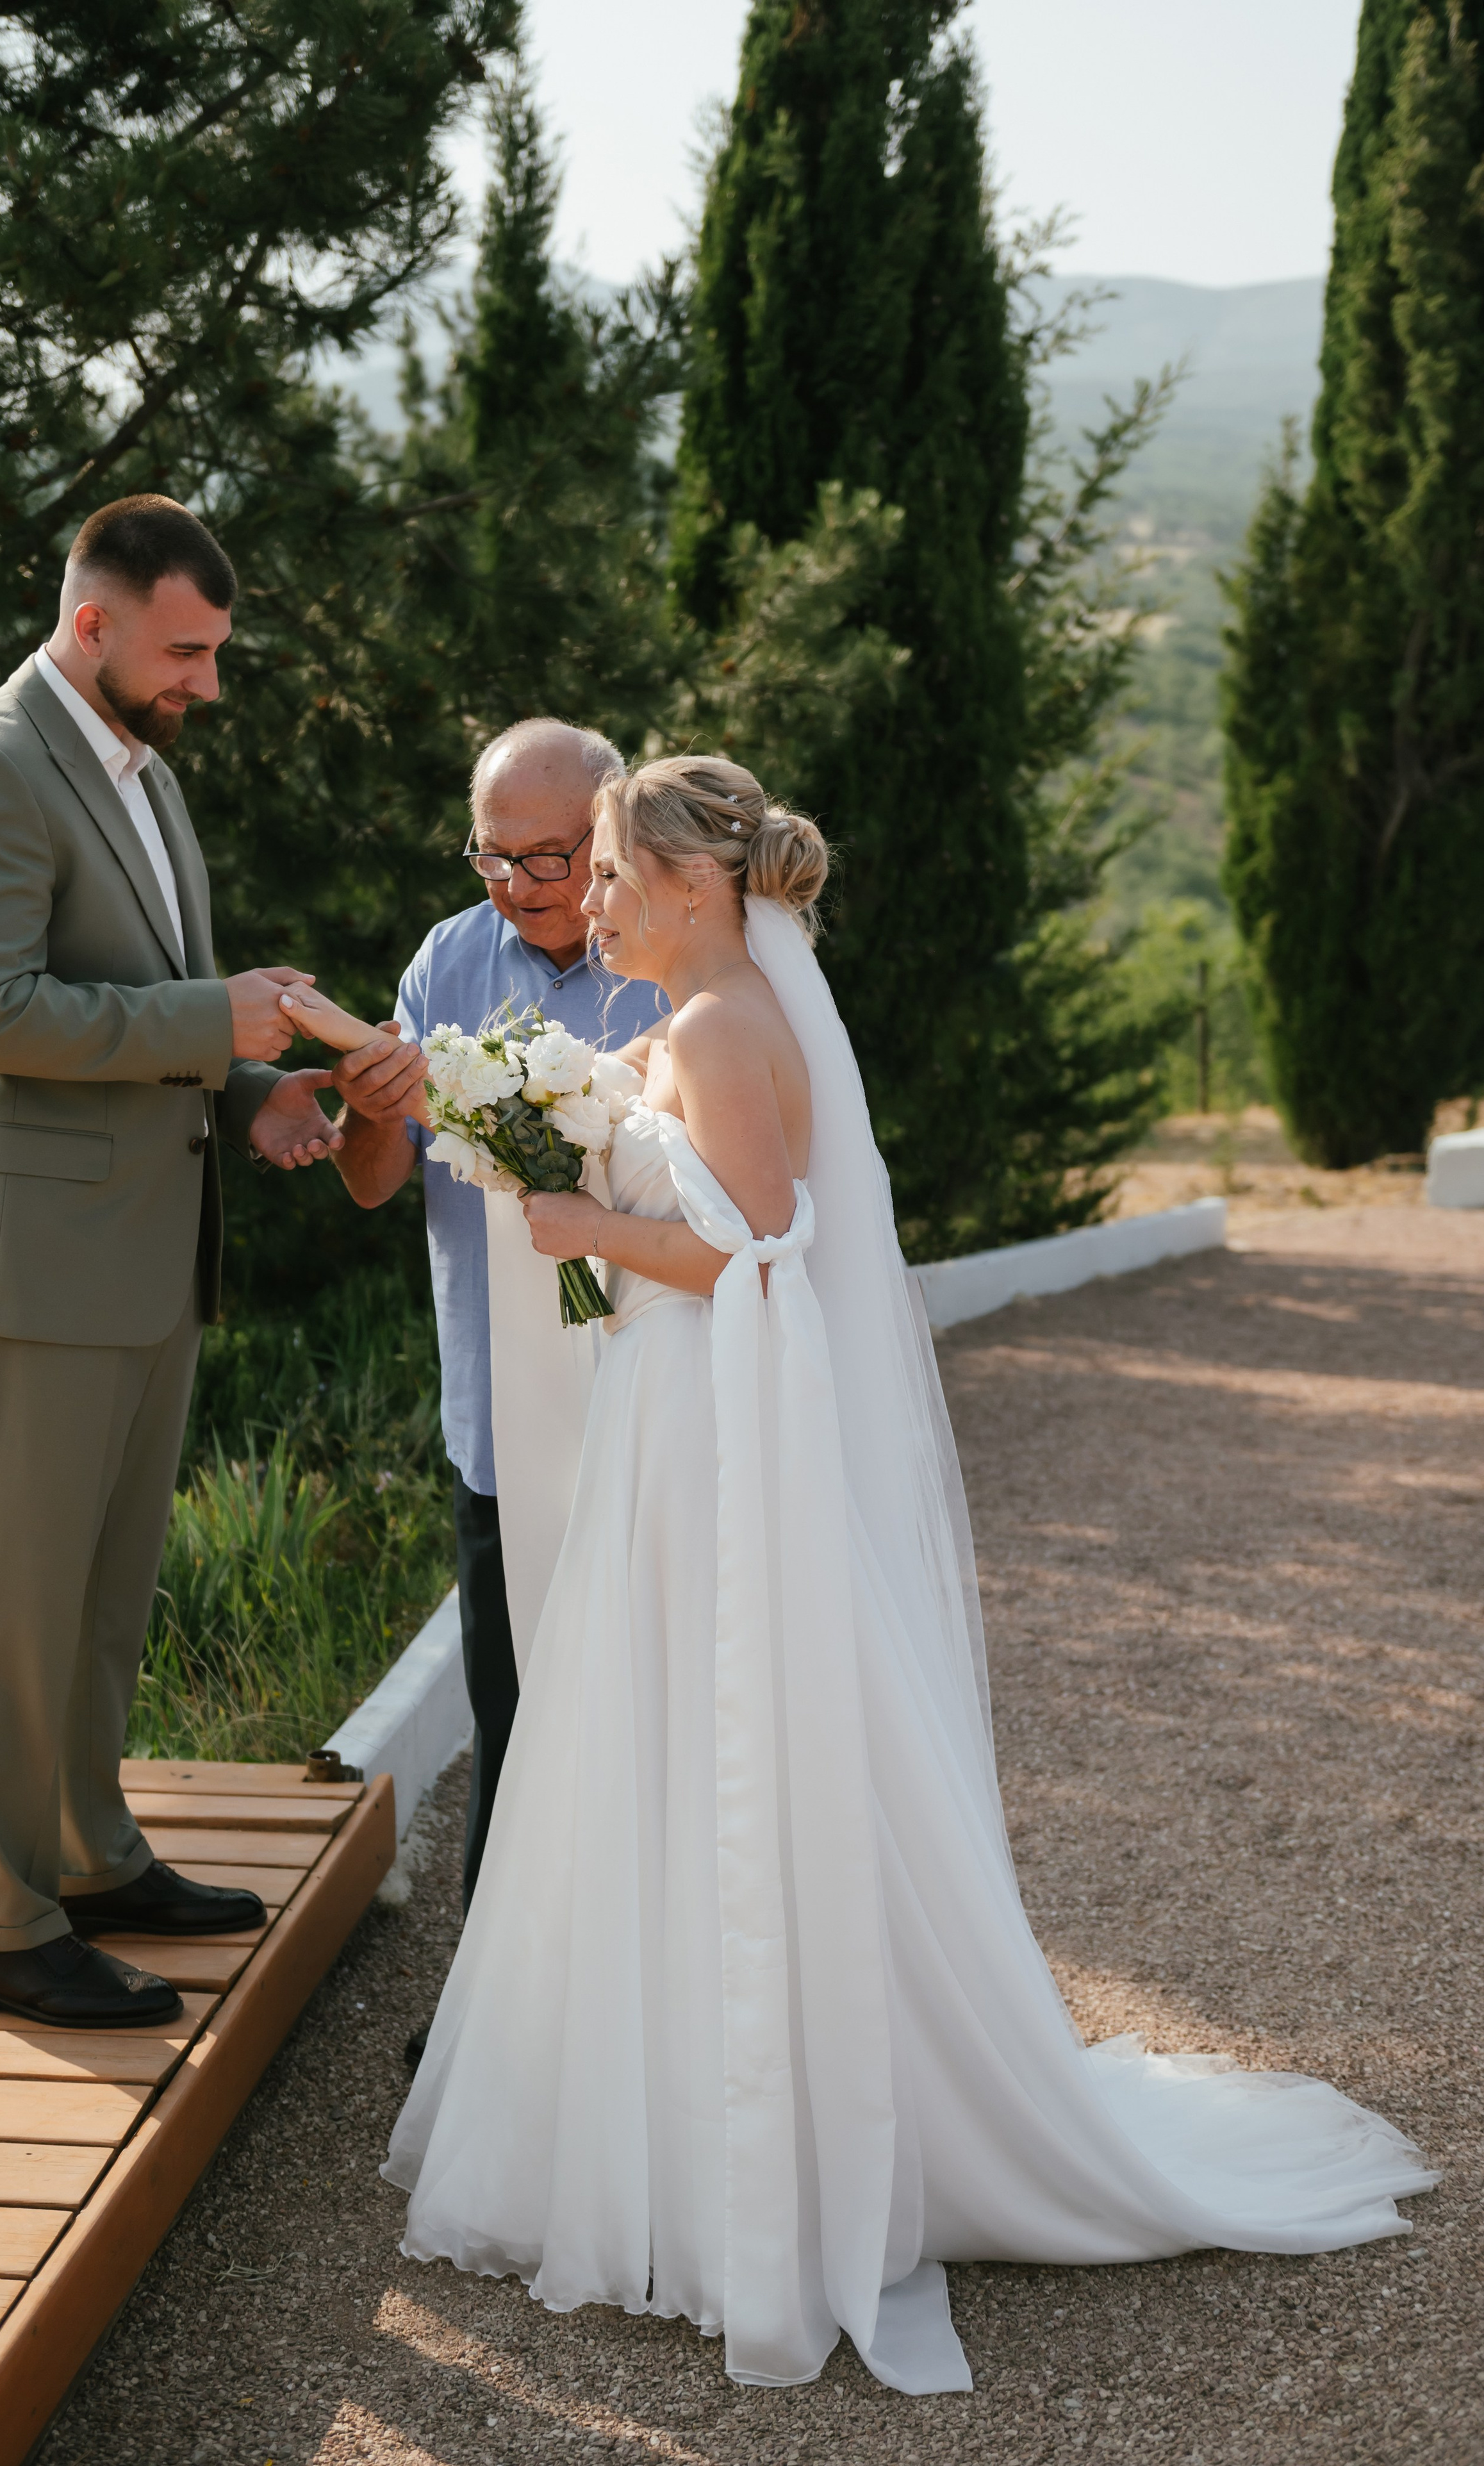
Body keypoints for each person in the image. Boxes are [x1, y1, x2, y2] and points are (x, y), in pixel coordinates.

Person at [380, 756, 1433, 2396]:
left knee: (728, 1755)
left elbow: (758, 1241)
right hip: (670, 1415)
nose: (584, 907)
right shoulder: (688, 1019)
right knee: (653, 1752)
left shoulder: (729, 1026)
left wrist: (585, 1226)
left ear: (687, 879)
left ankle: (750, 2145)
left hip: (713, 1416)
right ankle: (657, 2121)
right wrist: (537, 1149)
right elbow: (659, 1161)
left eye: (601, 876)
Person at [0, 495, 343, 2030]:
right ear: (94, 623)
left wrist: (251, 1085)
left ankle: (86, 1854)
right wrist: (212, 1023)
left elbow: (144, 996)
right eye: (187, 650)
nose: (207, 682)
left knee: (99, 1598)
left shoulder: (134, 769)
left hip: (145, 1258)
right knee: (13, 1610)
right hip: (28, 1269)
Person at [330, 720, 660, 1917]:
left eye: (551, 859)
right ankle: (500, 2043)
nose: (518, 888)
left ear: (611, 832)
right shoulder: (448, 960)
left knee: (665, 1727)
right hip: (501, 1431)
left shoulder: (678, 954)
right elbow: (373, 1181)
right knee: (513, 1728)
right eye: (492, 857)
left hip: (662, 1401)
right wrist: (373, 1110)